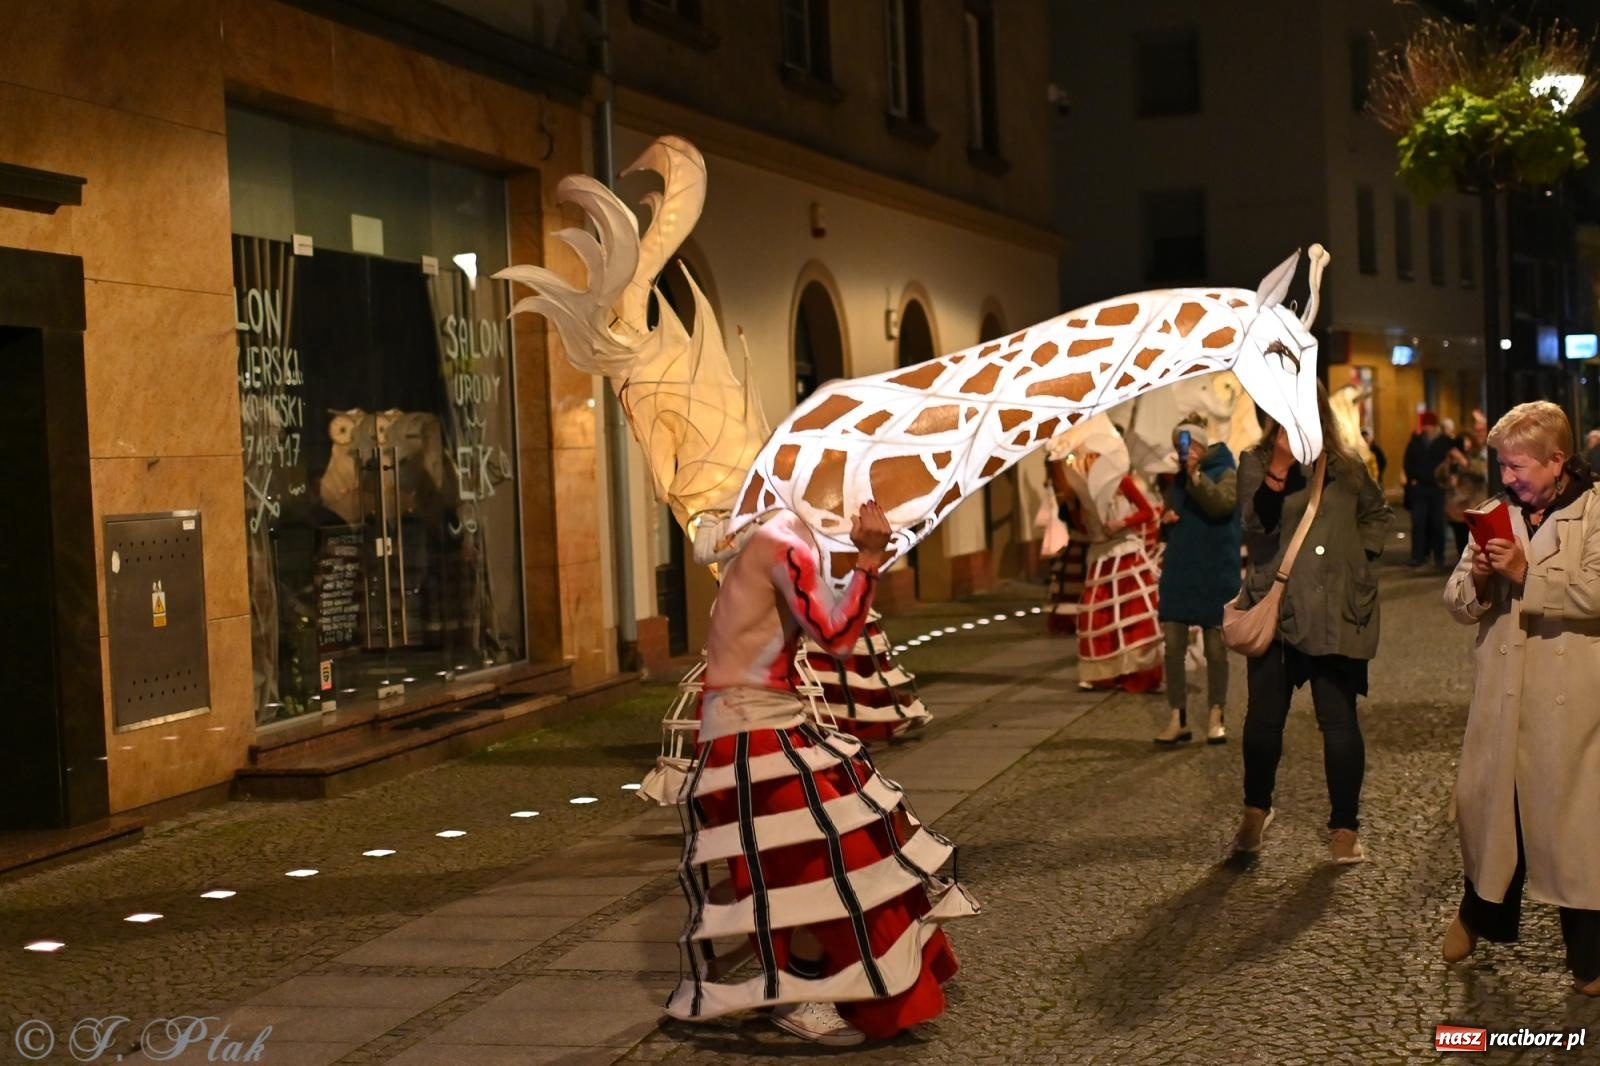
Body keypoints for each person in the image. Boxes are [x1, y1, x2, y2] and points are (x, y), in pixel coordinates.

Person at [664, 501, 975, 1043]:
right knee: (823, 864)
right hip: (750, 731)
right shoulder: (783, 538)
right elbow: (837, 637)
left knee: (825, 854)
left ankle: (798, 984)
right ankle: (798, 994)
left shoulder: (771, 533)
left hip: (761, 727)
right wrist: (870, 558)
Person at [1441, 401, 1600, 997]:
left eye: (1518, 466)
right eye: (1502, 465)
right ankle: (1477, 915)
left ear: (1557, 461)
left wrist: (1524, 576)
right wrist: (1481, 576)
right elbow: (1457, 602)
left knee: (1572, 831)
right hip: (1503, 697)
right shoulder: (1494, 514)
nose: (1508, 478)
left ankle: (1588, 956)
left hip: (1572, 702)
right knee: (1491, 813)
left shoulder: (1595, 510)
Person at [1228, 382, 1393, 864]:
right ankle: (1256, 811)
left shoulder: (1346, 466)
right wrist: (1279, 468)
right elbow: (1254, 524)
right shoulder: (1255, 462)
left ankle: (1345, 827)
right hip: (1278, 613)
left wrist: (1358, 561)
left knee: (1339, 724)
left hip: (1336, 614)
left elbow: (1377, 513)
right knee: (1263, 722)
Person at [1054, 420, 1164, 694]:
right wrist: (1071, 504)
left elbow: (1147, 511)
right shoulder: (1080, 487)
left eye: (1090, 455)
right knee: (1097, 611)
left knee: (1130, 611)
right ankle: (1104, 672)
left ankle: (1137, 670)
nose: (1086, 460)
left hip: (1124, 552)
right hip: (1100, 554)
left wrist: (1121, 521)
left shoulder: (1121, 479)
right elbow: (1082, 527)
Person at [1154, 416, 1241, 745]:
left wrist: (1196, 476)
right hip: (1180, 571)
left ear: (1201, 446)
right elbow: (1170, 525)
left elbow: (1221, 506)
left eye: (1186, 445)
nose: (1182, 452)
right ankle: (1178, 717)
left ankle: (1216, 714)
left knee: (1216, 650)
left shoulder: (1226, 471)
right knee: (1173, 647)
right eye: (1178, 447)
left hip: (1216, 572)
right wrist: (1167, 521)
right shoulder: (1177, 481)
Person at [1403, 411, 1453, 568]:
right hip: (1420, 489)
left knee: (1437, 523)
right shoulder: (1415, 442)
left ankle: (1439, 556)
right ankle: (1418, 556)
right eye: (1425, 425)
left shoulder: (1444, 442)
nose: (1427, 428)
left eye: (1429, 425)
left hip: (1437, 488)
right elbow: (1408, 462)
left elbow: (1451, 462)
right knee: (1418, 523)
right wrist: (1413, 479)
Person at [1439, 433, 1489, 560]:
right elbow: (1439, 476)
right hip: (1457, 509)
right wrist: (1449, 464)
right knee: (1460, 543)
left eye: (1468, 441)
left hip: (1473, 505)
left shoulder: (1477, 458)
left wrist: (1464, 462)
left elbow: (1481, 472)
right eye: (1463, 441)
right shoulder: (1451, 459)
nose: (1465, 444)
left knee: (1475, 542)